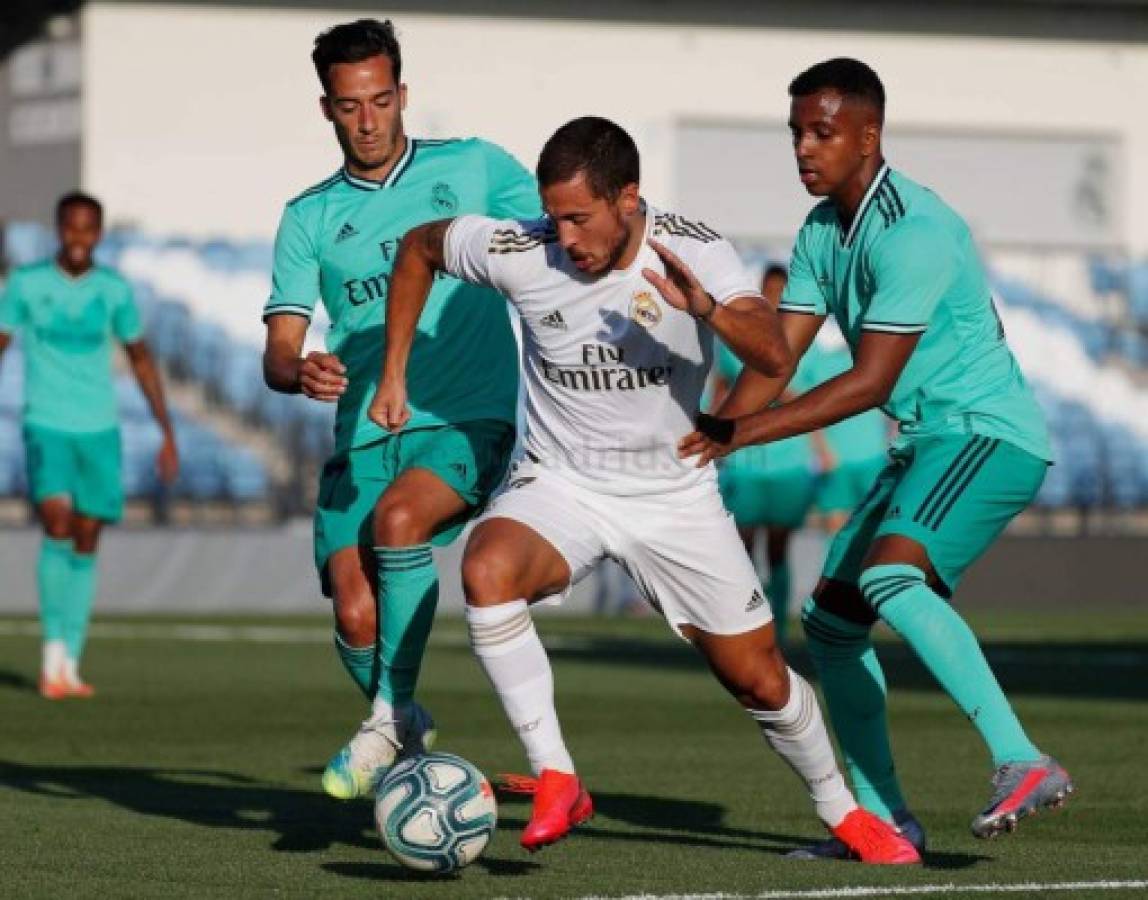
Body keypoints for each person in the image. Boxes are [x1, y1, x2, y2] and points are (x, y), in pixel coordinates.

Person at [370, 115, 919, 864]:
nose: (563, 236)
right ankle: (558, 774)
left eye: (578, 217)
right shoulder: (520, 247)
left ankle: (843, 813)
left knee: (759, 680)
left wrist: (709, 312)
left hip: (673, 496)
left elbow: (771, 352)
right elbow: (420, 247)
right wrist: (395, 370)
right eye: (554, 215)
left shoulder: (691, 248)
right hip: (563, 482)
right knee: (485, 568)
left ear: (628, 198)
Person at [680, 58, 1072, 857]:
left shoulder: (917, 230)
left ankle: (1022, 759)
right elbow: (778, 359)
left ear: (869, 134)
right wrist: (707, 432)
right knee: (830, 624)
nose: (804, 148)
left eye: (822, 131)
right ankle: (886, 818)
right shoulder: (824, 231)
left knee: (891, 575)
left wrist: (740, 436)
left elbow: (870, 381)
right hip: (928, 440)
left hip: (986, 433)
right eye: (795, 132)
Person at [260, 18, 539, 800]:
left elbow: (564, 231)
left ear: (402, 94)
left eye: (381, 100)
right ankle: (408, 724)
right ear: (327, 109)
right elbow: (280, 347)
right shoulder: (308, 216)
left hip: (463, 419)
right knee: (354, 616)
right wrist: (298, 369)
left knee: (398, 528)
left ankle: (384, 718)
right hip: (361, 434)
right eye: (351, 106)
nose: (369, 119)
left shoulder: (476, 167)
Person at [0, 191, 179, 698]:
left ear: (98, 233)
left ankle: (70, 661)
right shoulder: (27, 284)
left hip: (100, 428)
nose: (79, 238)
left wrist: (165, 428)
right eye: (71, 228)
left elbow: (141, 359)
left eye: (88, 229)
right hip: (46, 423)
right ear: (59, 229)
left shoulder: (114, 290)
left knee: (86, 534)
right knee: (56, 521)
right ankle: (52, 653)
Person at [712, 263, 831, 648]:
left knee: (779, 547)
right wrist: (712, 436)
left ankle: (777, 625)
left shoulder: (807, 343)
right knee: (742, 547)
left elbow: (813, 403)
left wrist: (821, 446)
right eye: (771, 291)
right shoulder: (737, 338)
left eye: (783, 291)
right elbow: (722, 389)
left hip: (789, 461)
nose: (777, 298)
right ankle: (746, 623)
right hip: (745, 461)